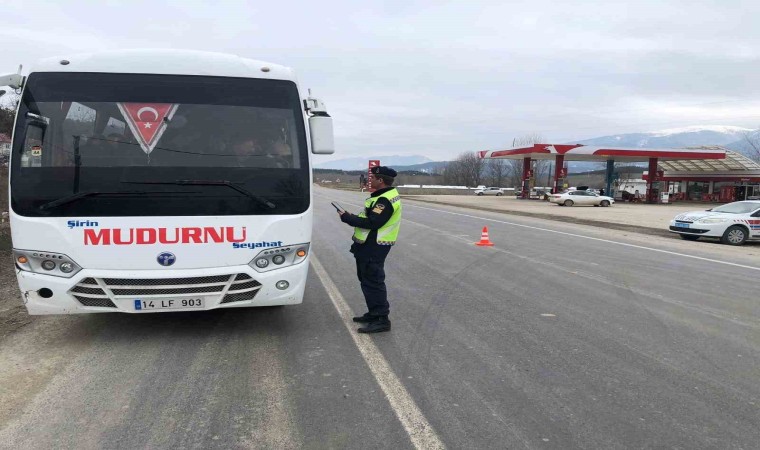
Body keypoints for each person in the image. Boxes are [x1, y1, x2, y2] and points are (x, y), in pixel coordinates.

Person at [337, 166, 403, 333]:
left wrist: (347, 218)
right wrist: (353, 216)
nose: (369, 180)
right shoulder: (381, 197)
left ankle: (381, 319)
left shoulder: (384, 200)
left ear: (381, 180)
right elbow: (369, 218)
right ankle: (374, 313)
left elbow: (373, 223)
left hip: (374, 246)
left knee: (373, 281)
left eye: (372, 177)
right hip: (369, 245)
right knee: (367, 280)